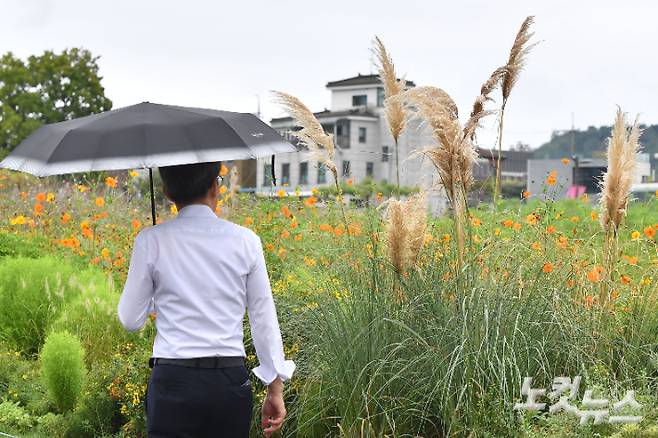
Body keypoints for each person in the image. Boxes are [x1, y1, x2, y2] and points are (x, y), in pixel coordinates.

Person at [117, 161, 295, 437]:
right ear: (215, 186)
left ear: (166, 191)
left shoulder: (150, 241)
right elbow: (263, 318)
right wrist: (275, 387)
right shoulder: (246, 241)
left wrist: (159, 296)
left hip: (172, 381)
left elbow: (130, 320)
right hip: (226, 383)